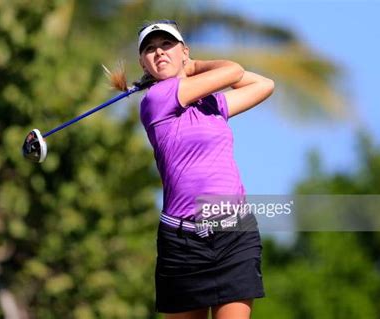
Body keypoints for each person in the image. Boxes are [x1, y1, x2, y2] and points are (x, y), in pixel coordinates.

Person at [110, 20, 274, 319]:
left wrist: (193, 64)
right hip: (183, 241)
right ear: (143, 63)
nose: (159, 52)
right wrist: (193, 66)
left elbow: (264, 85)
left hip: (233, 233)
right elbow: (233, 71)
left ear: (183, 51)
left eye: (167, 45)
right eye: (150, 49)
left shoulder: (212, 106)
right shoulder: (155, 101)